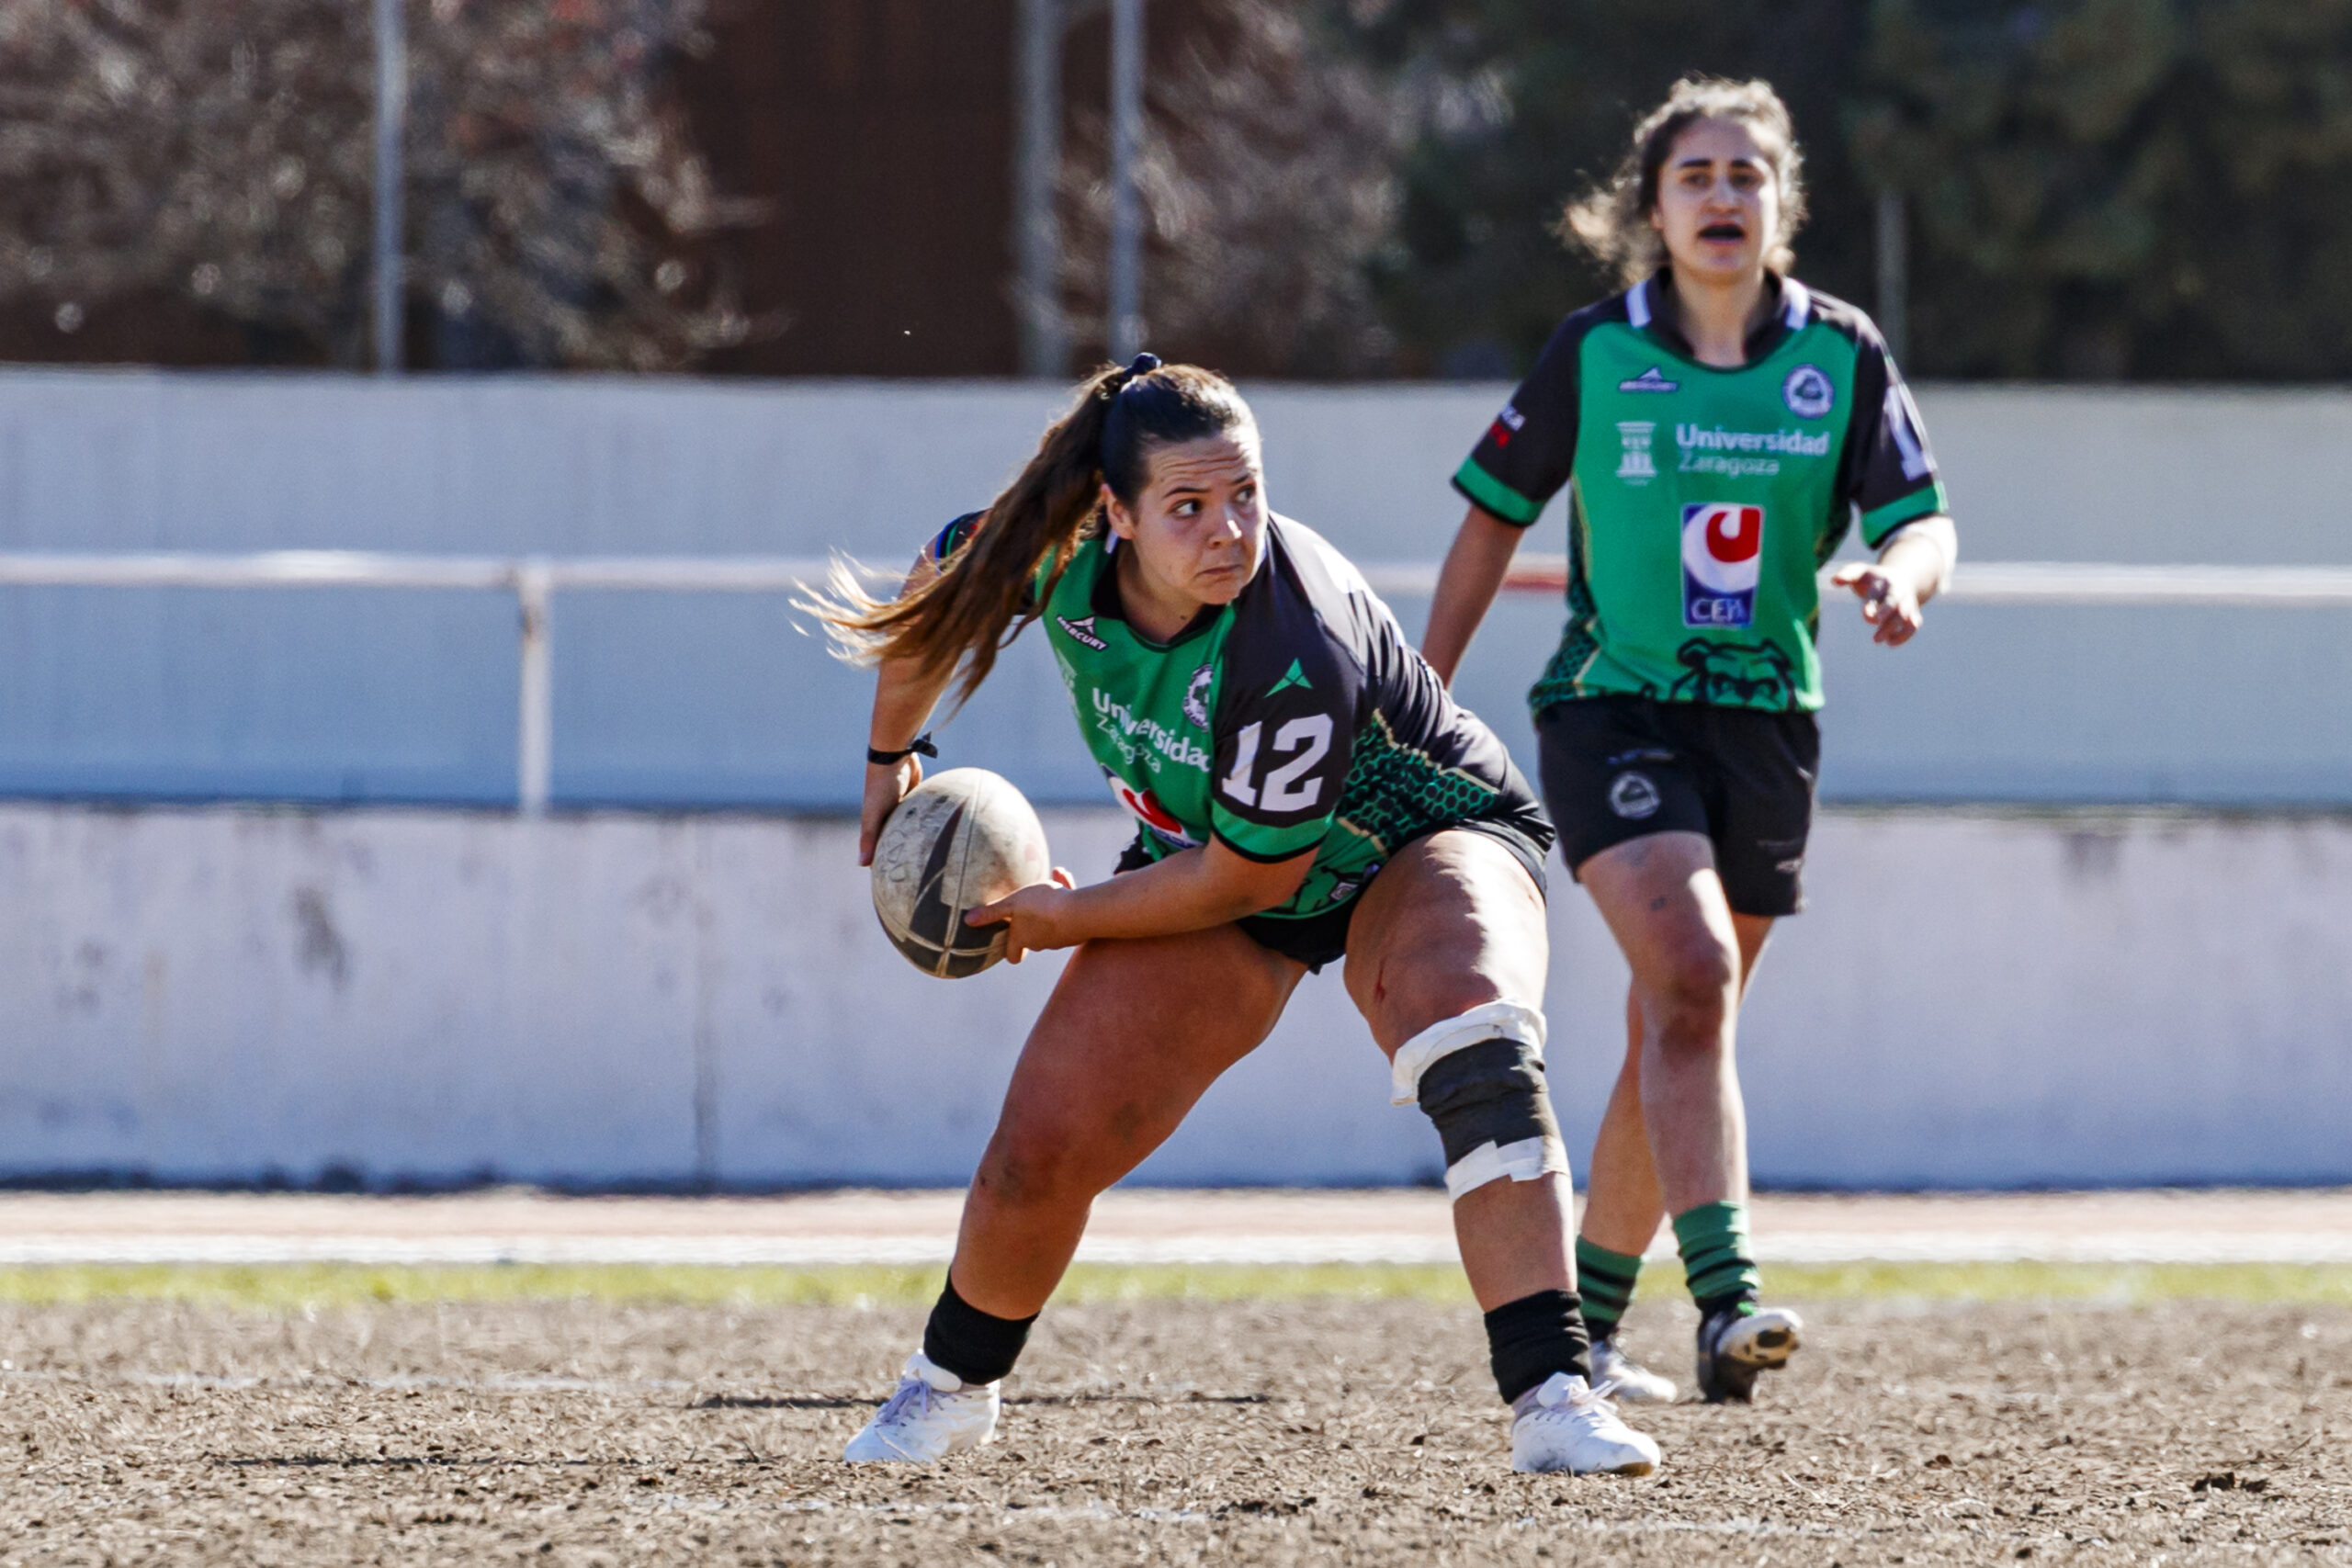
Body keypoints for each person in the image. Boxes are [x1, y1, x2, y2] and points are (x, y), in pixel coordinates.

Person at [816, 355, 1659, 1475]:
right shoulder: (1043, 548)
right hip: (1216, 852)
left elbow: (1246, 882)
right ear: (1110, 515)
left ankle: (1554, 1394)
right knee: (1043, 1143)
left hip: (1414, 830)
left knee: (1474, 1044)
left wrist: (1071, 921)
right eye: (1188, 507)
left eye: (1246, 494)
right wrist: (890, 757)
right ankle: (947, 1388)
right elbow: (937, 598)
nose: (1229, 531)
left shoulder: (1284, 639)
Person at [1420, 77, 1958, 1404]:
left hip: (1772, 725)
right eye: (1696, 175)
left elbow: (1927, 517)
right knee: (1696, 972)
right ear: (1650, 209)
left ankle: (1592, 1329)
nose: (1723, 196)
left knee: (1682, 1015)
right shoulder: (1597, 353)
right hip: (1614, 707)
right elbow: (1493, 512)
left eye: (1746, 175)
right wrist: (1423, 685)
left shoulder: (1840, 356)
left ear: (1782, 205)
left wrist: (1906, 573)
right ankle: (1730, 1304)